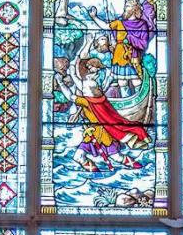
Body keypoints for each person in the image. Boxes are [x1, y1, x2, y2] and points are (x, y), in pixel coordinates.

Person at [58, 36, 149, 172]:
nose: (84, 86)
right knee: (78, 156)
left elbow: (71, 95)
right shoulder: (91, 95)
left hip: (104, 135)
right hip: (92, 134)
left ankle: (139, 168)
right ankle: (95, 172)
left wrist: (60, 83)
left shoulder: (89, 99)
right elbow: (76, 76)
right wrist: (86, 46)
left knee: (117, 157)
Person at [88, 0, 156, 97]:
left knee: (136, 81)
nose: (125, 8)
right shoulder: (120, 23)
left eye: (127, 6)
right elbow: (105, 26)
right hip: (119, 57)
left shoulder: (142, 25)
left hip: (133, 58)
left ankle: (138, 99)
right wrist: (94, 17)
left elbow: (143, 44)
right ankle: (126, 102)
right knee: (122, 83)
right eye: (125, 6)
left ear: (134, 9)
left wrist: (129, 37)